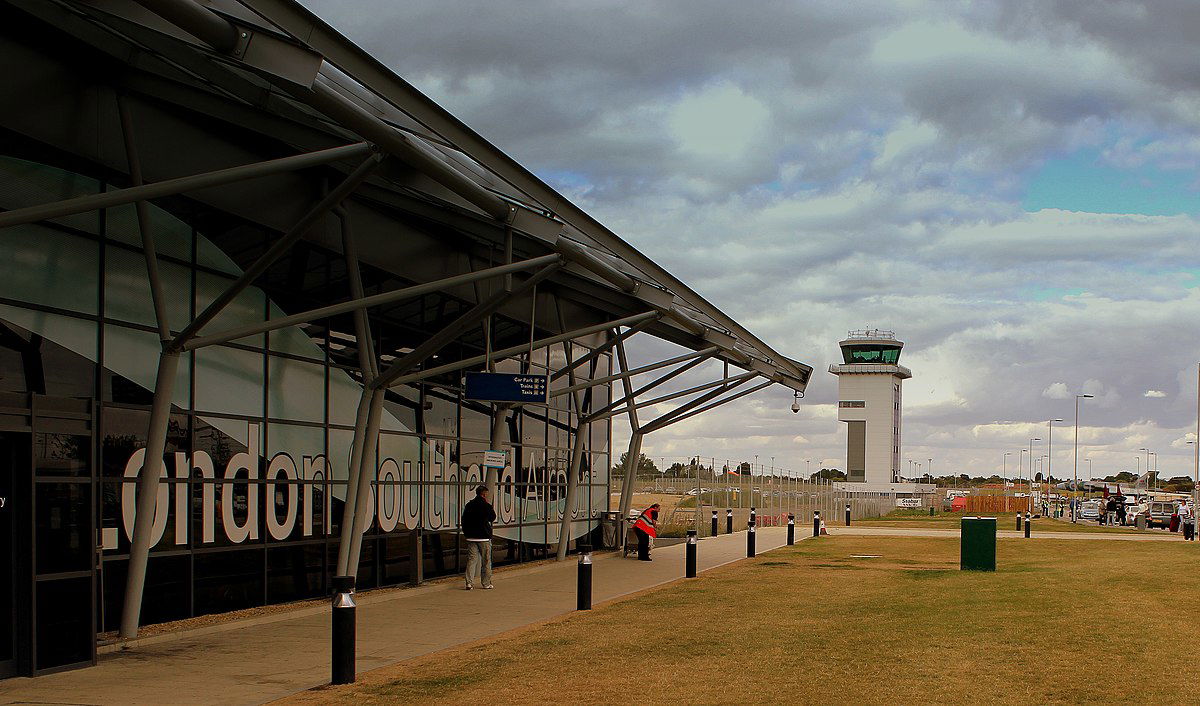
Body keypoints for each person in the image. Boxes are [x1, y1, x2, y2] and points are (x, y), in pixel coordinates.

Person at [461, 485, 496, 590]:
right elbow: (492, 517)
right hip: (483, 537)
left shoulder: (469, 505)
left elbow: (464, 520)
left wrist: (467, 532)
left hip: (471, 537)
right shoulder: (486, 506)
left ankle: (469, 583)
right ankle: (486, 583)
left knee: (471, 560)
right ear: (484, 494)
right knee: (486, 561)